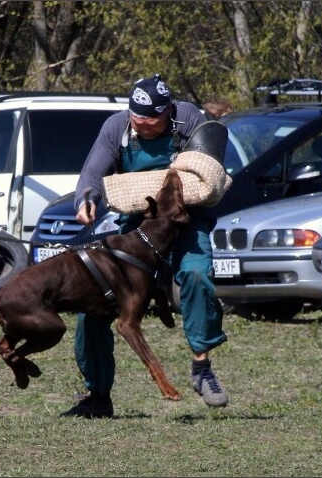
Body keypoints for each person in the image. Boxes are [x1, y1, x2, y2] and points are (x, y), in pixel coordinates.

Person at [61, 74, 229, 419]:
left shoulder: (189, 121)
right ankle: (97, 394)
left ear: (168, 111)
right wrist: (86, 198)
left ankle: (202, 367)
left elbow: (208, 174)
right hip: (136, 226)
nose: (141, 123)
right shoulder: (117, 126)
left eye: (150, 118)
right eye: (136, 117)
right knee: (94, 304)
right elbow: (92, 172)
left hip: (185, 221)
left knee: (197, 277)